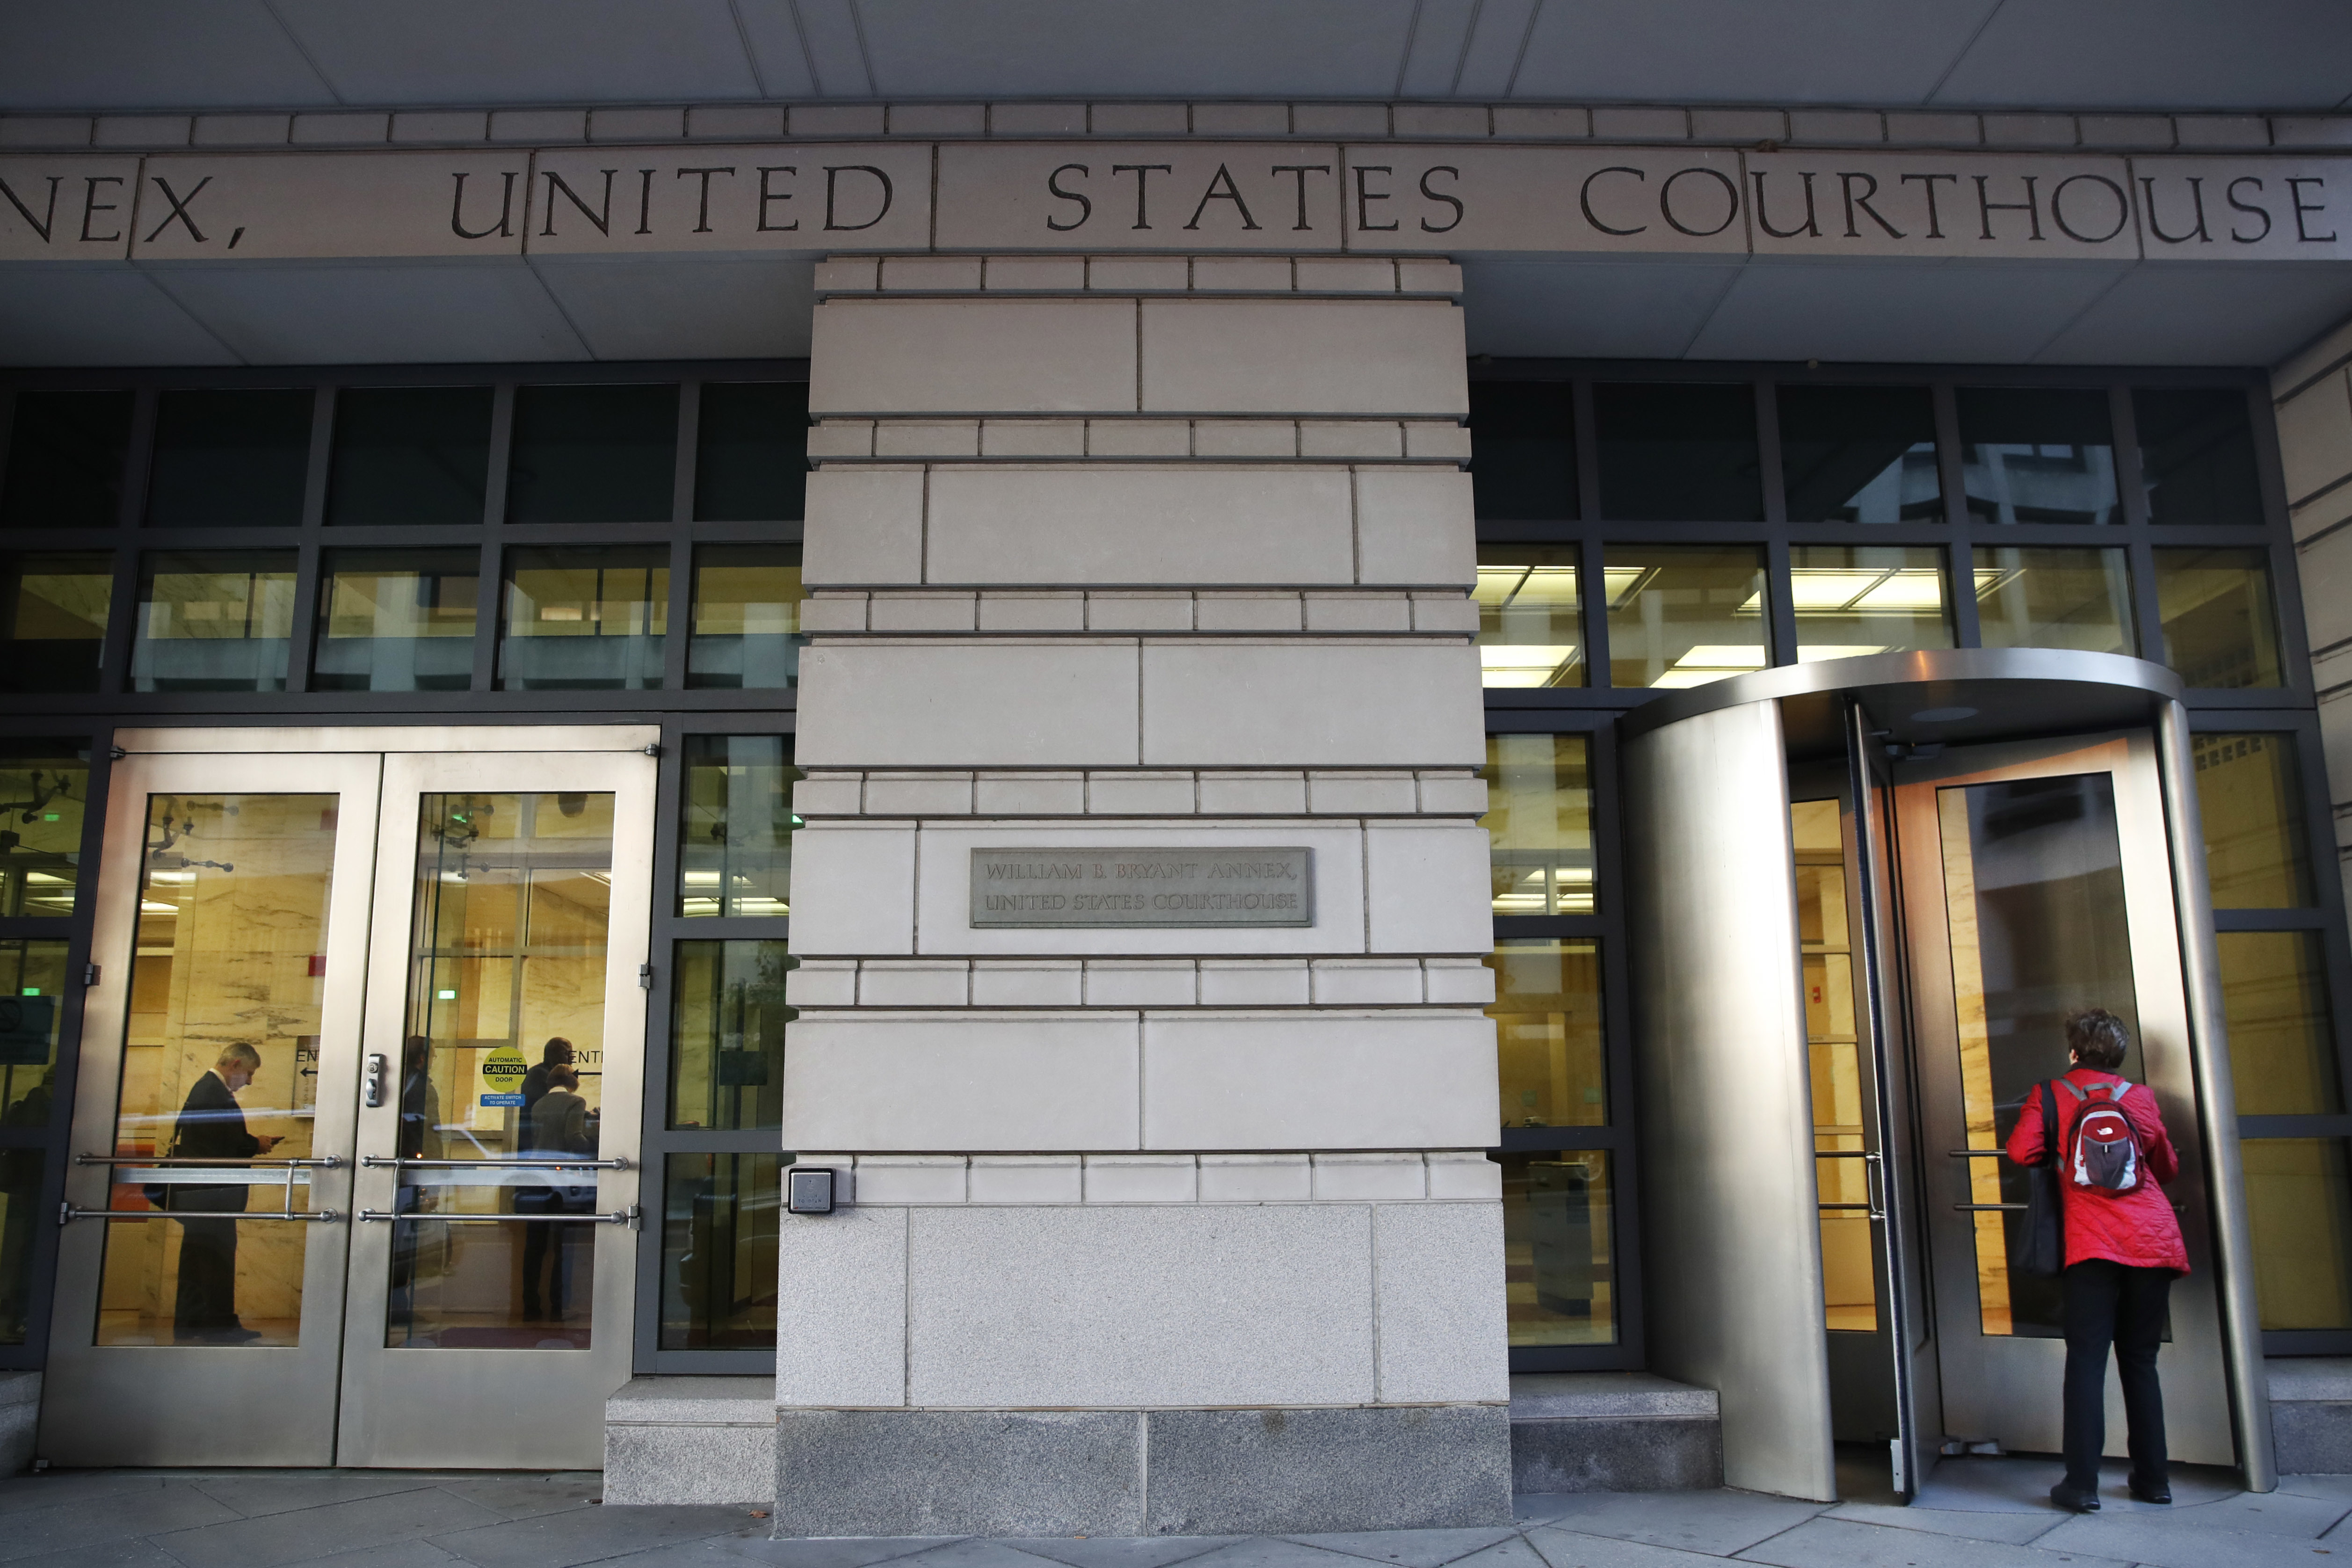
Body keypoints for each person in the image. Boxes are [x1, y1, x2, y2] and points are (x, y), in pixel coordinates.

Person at [2004, 1007, 2187, 1514]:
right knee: (2140, 1361)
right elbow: (2166, 1167)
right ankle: (2154, 1481)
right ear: (2119, 1056)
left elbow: (2021, 1152)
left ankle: (2081, 1485)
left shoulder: (2051, 1093)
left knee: (2087, 1361)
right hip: (2151, 1240)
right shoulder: (2140, 1097)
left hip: (2091, 1242)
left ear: (2073, 1051)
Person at [169, 1041, 280, 1345]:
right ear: (234, 1065)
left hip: (199, 1192)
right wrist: (255, 1144)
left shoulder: (206, 1089)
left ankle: (192, 1323)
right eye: (249, 1073)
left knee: (197, 1260)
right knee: (216, 1260)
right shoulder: (212, 1092)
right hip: (211, 1193)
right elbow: (223, 1144)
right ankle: (219, 1326)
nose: (249, 1081)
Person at [519, 1065, 591, 1323]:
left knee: (535, 1246)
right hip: (562, 1181)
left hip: (537, 1179)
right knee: (563, 1246)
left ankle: (531, 1306)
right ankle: (559, 1307)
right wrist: (597, 1146)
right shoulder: (576, 1102)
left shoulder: (539, 1104)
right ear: (572, 1081)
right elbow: (574, 1138)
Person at [519, 1038, 574, 1115]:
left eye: (572, 1054)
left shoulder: (544, 1072)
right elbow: (555, 1105)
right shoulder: (540, 1074)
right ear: (553, 1055)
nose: (572, 1058)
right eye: (566, 1054)